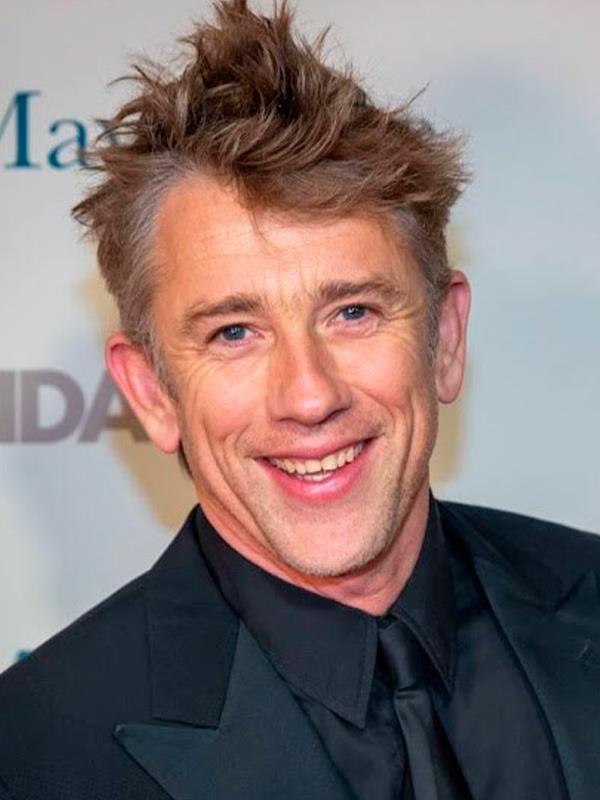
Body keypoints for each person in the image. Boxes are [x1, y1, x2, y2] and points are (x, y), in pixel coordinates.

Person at [1, 1, 599, 798]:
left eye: (352, 312)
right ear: (150, 391)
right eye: (234, 332)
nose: (309, 396)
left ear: (446, 340)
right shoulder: (32, 751)